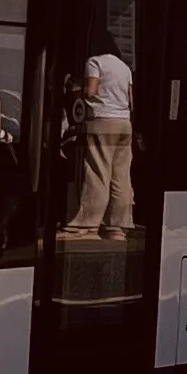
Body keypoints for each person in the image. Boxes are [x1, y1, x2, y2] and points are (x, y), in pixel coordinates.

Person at [64, 39, 137, 239]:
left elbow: (92, 90)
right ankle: (117, 227)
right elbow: (131, 100)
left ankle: (87, 224)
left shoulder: (94, 62)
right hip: (124, 123)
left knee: (98, 170)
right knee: (121, 175)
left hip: (103, 121)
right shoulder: (125, 68)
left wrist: (78, 86)